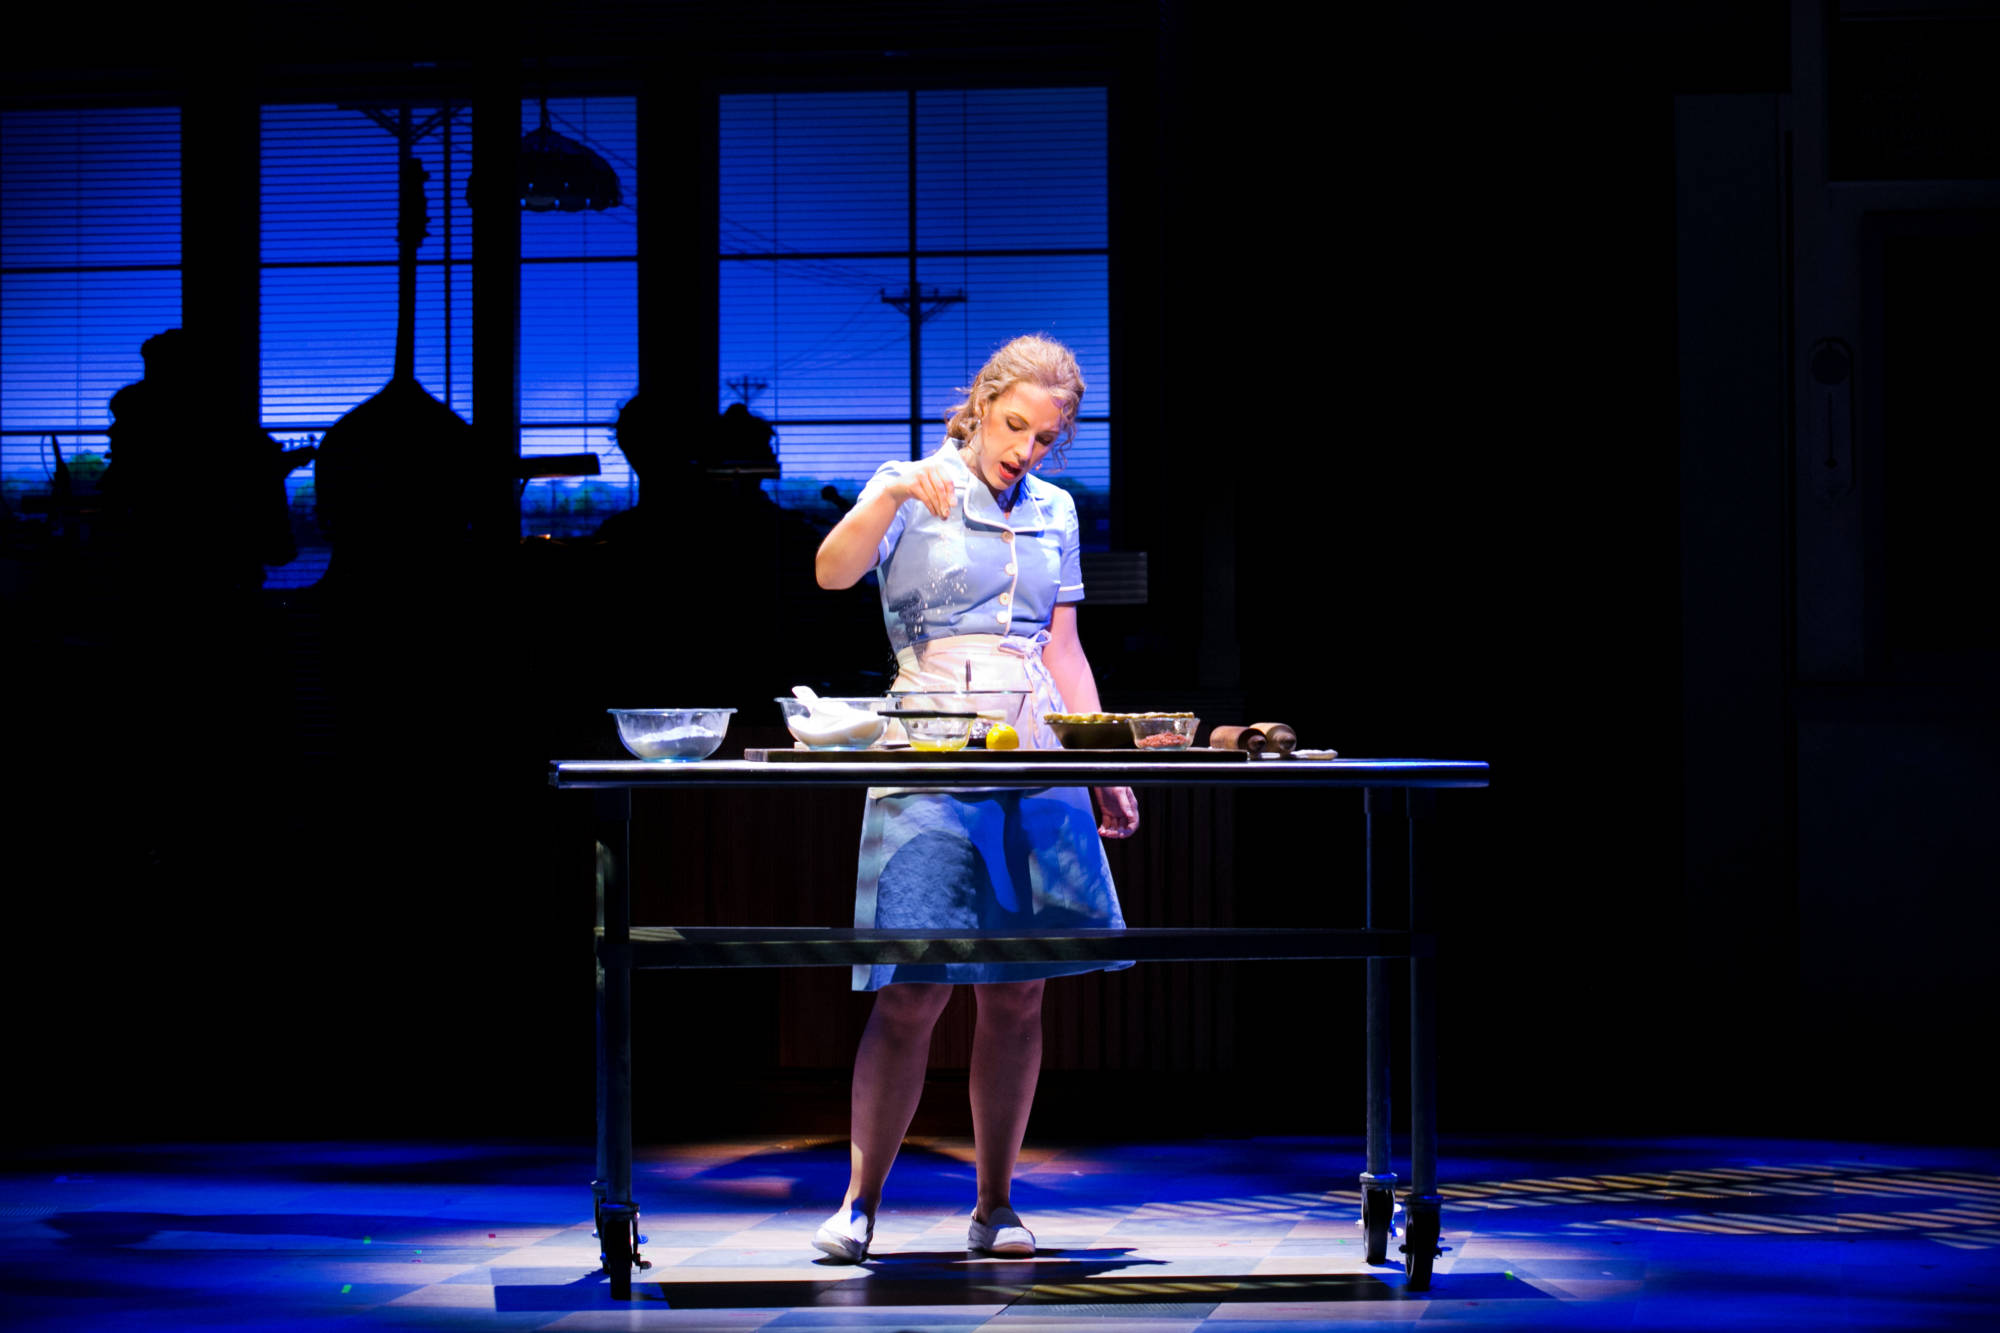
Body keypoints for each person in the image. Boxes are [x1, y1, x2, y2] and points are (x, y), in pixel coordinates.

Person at [811, 334, 1139, 1263]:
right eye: (1014, 426)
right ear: (982, 404)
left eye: (1047, 436)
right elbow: (833, 573)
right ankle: (859, 1201)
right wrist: (883, 496)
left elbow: (1065, 649)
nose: (1026, 450)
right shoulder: (913, 484)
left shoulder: (1057, 511)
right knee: (913, 983)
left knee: (1020, 988)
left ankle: (996, 1204)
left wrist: (1102, 761)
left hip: (1031, 740)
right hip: (931, 736)